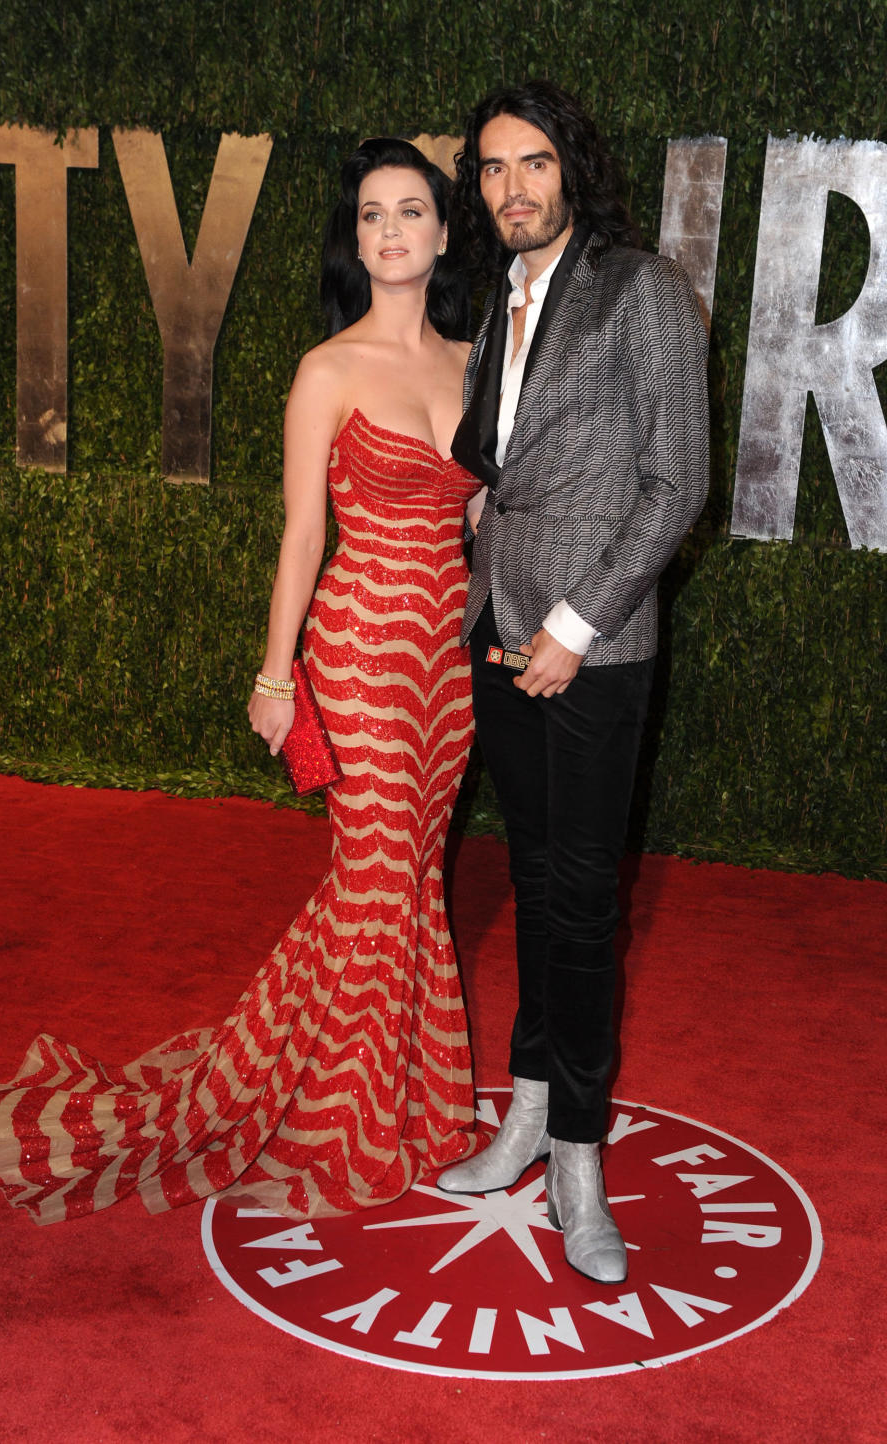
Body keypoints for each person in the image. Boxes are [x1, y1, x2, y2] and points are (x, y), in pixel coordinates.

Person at [0, 138, 483, 1224]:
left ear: (443, 232)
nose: (389, 232)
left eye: (409, 213)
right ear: (360, 242)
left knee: (404, 888)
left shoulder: (478, 365)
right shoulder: (326, 369)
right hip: (357, 654)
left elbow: (482, 526)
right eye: (371, 218)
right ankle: (340, 1117)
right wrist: (274, 673)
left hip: (444, 667)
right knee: (378, 881)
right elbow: (302, 534)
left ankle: (411, 1100)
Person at [436, 82, 710, 1284]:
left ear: (571, 168)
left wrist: (576, 621)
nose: (513, 189)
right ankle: (529, 1114)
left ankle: (582, 1160)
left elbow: (676, 483)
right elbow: (515, 458)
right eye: (492, 170)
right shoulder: (496, 298)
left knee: (585, 904)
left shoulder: (639, 287)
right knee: (539, 883)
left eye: (532, 163)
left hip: (590, 646)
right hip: (498, 628)